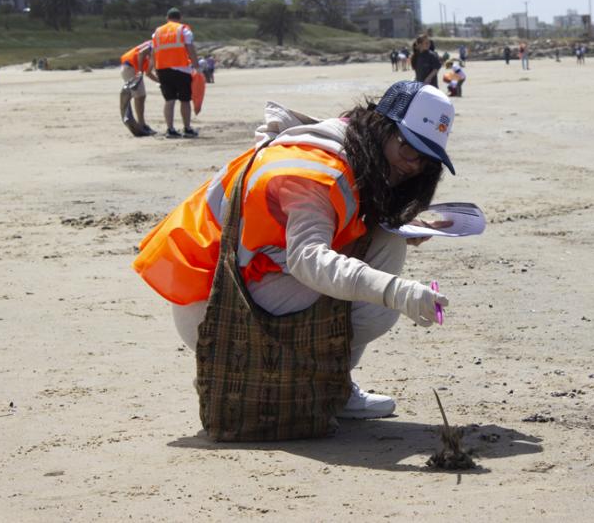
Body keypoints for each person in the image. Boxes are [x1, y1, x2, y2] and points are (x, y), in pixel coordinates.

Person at [133, 80, 456, 419]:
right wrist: (395, 292)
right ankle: (312, 383)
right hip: (212, 306)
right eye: (409, 149)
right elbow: (308, 258)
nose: (414, 166)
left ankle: (335, 385)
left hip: (237, 281)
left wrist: (404, 227)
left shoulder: (346, 142)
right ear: (382, 126)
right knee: (377, 303)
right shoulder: (317, 169)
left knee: (387, 239)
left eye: (427, 160)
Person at [151, 7, 201, 139]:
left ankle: (170, 129)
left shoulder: (157, 32)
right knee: (185, 100)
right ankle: (187, 128)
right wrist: (196, 66)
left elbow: (153, 51)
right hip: (181, 69)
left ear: (167, 18)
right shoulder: (183, 30)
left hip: (162, 69)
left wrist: (153, 68)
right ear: (180, 18)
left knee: (169, 100)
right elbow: (190, 48)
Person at [120, 40, 158, 136]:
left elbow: (149, 73)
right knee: (140, 97)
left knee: (141, 96)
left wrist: (161, 82)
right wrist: (140, 72)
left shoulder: (155, 48)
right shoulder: (155, 43)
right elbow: (141, 53)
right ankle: (141, 125)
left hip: (129, 67)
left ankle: (141, 124)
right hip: (130, 67)